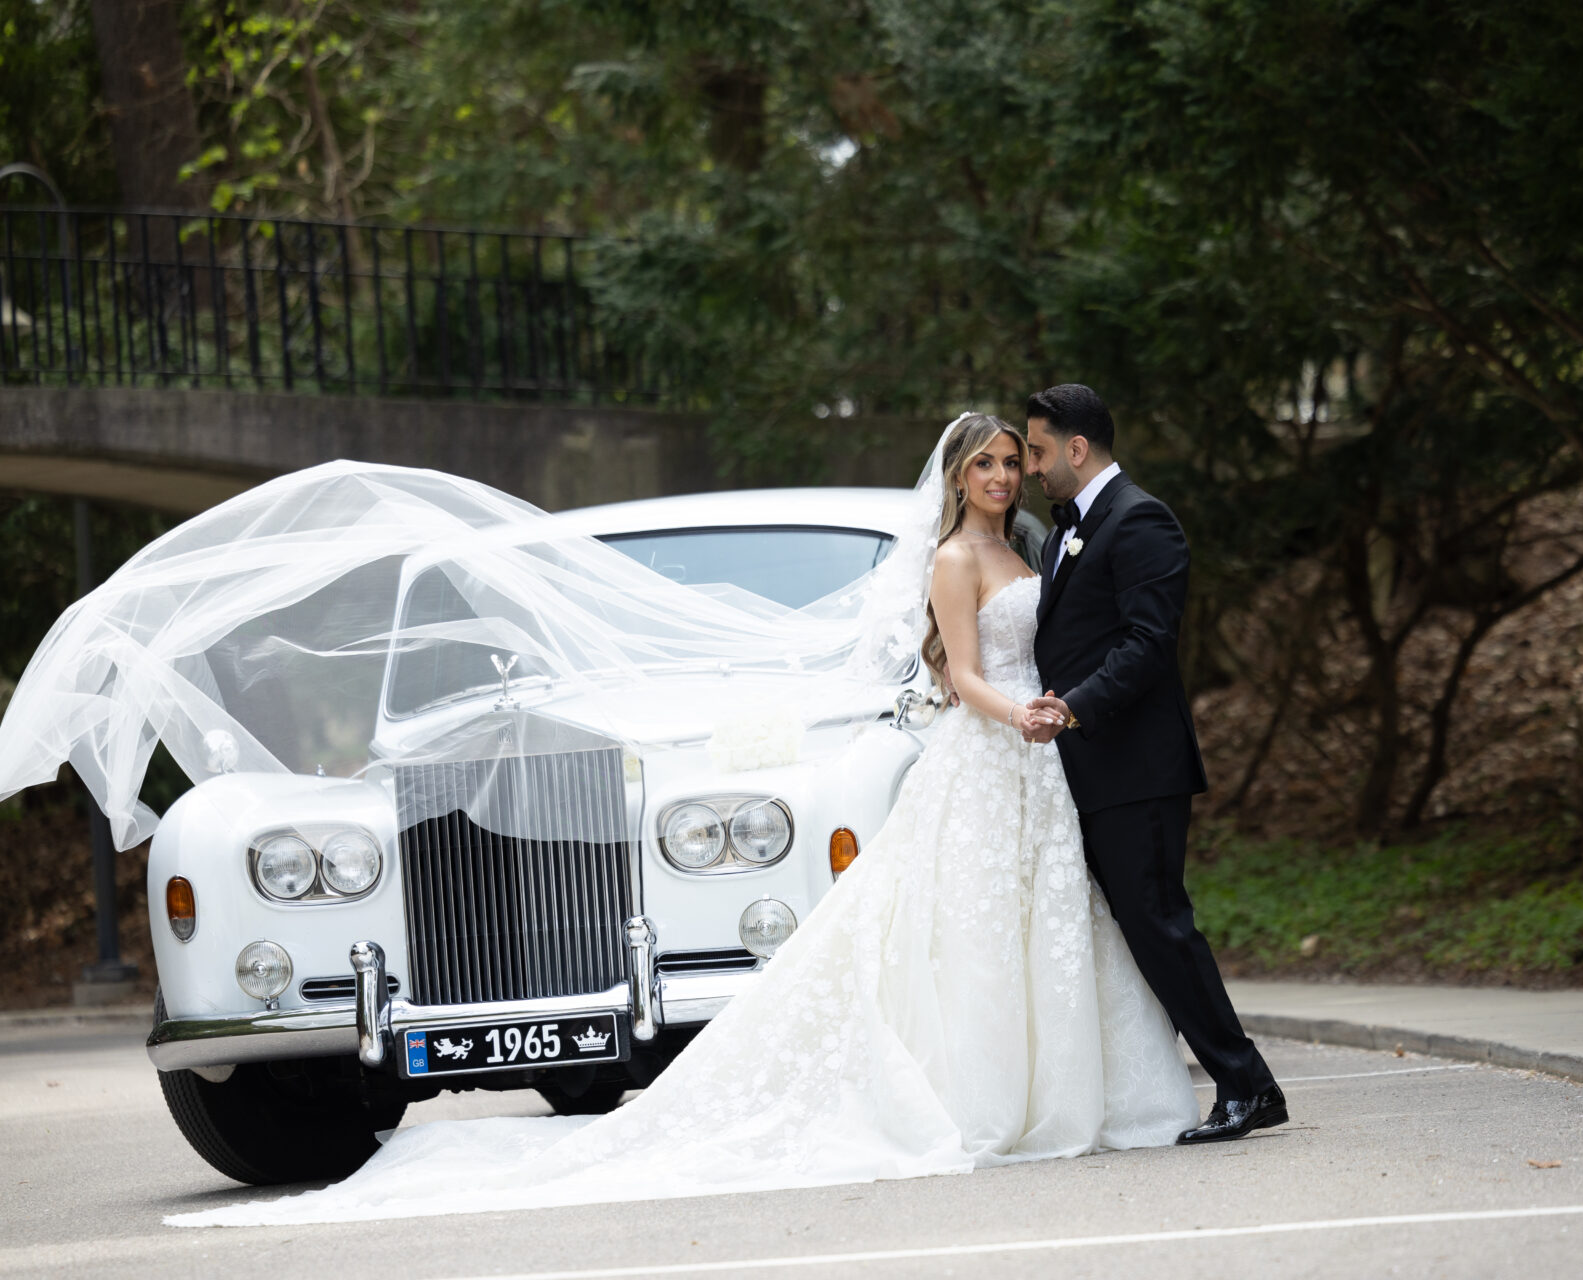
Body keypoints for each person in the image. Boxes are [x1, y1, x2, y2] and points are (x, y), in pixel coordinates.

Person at [169, 413, 1199, 1227]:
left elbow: (960, 663)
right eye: (989, 462)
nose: (1005, 474)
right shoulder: (961, 557)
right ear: (964, 474)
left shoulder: (1022, 550)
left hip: (997, 754)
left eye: (1012, 461)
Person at [1022, 383, 1288, 1144]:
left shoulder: (1142, 521)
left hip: (1138, 767)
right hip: (1090, 768)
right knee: (1139, 930)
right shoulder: (1069, 529)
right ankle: (1220, 1081)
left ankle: (1246, 1085)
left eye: (1039, 451)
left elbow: (1146, 645)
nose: (1034, 468)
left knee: (1162, 926)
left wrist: (1072, 706)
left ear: (1077, 449)